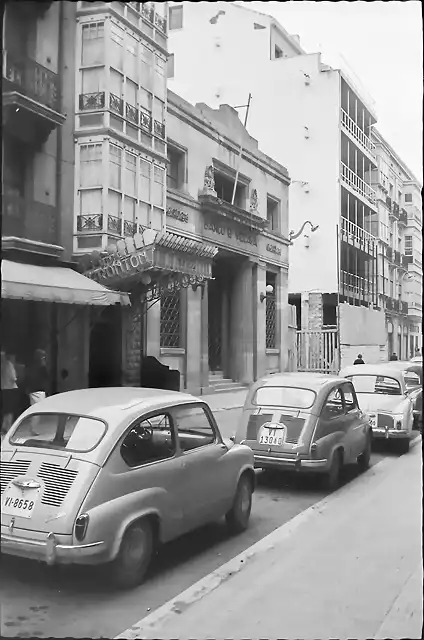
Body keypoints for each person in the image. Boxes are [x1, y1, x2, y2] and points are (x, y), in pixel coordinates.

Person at [1, 351, 18, 434]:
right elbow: (13, 378)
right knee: (10, 409)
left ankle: (4, 427)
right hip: (10, 388)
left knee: (5, 409)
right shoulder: (8, 364)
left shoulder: (1, 365)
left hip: (3, 389)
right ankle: (9, 428)